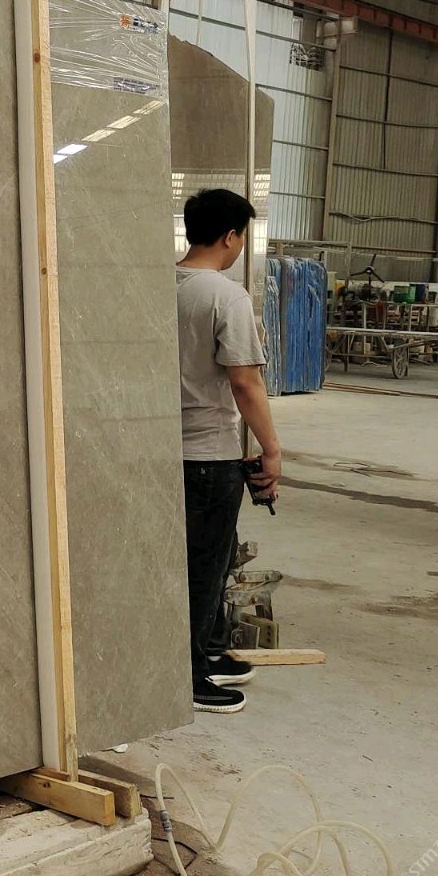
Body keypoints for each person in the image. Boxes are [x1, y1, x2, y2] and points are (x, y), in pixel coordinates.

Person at [175, 189, 280, 715]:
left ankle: (210, 651)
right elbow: (245, 382)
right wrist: (272, 450)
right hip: (208, 455)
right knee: (204, 566)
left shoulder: (157, 285)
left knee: (199, 560)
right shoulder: (225, 296)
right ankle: (190, 676)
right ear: (231, 236)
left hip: (160, 449)